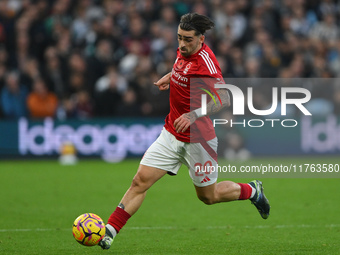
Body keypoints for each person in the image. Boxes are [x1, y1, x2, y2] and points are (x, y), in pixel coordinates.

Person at [99, 13, 270, 250]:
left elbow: (224, 96)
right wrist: (172, 77)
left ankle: (252, 190)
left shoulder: (207, 62)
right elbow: (185, 69)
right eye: (179, 37)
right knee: (140, 181)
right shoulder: (184, 51)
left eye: (187, 39)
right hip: (171, 133)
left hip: (199, 140)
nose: (181, 43)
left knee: (208, 197)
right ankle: (109, 231)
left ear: (201, 39)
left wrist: (193, 114)